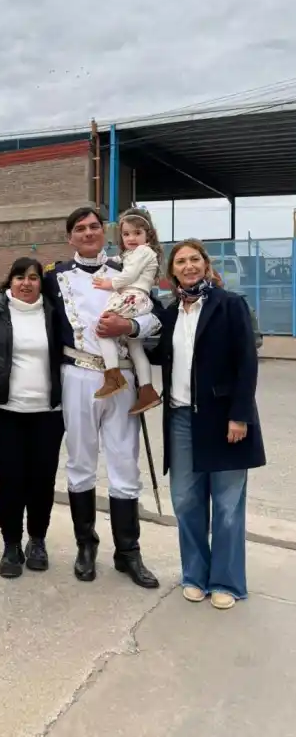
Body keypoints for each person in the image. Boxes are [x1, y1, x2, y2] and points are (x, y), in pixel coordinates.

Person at [0, 206, 161, 590]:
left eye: (94, 227)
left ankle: (128, 551)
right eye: (80, 228)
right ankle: (85, 545)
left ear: (104, 233)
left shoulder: (127, 268)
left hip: (123, 372)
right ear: (70, 236)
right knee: (80, 461)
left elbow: (156, 315)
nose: (89, 233)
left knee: (125, 463)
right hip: (77, 374)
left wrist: (132, 325)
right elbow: (14, 293)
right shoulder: (53, 277)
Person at [148, 239, 265, 610]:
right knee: (185, 500)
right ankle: (195, 574)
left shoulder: (230, 306)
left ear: (206, 264)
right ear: (172, 273)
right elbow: (153, 349)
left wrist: (240, 415)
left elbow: (247, 363)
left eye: (194, 259)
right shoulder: (170, 313)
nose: (187, 266)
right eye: (180, 261)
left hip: (224, 418)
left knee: (228, 505)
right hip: (181, 418)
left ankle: (226, 581)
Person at [0, 257, 64, 579]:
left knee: (42, 480)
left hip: (48, 412)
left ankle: (37, 541)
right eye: (19, 277)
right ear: (9, 281)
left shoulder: (54, 313)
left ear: (41, 282)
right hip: (2, 411)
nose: (26, 283)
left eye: (33, 277)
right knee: (10, 479)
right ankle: (11, 544)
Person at [92, 208, 163, 414]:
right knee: (135, 346)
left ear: (147, 235)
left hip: (132, 295)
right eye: (126, 234)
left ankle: (113, 375)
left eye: (137, 233)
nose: (131, 238)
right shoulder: (135, 253)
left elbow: (129, 275)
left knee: (103, 329)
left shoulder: (143, 251)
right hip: (139, 299)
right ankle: (147, 390)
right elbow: (119, 261)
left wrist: (108, 283)